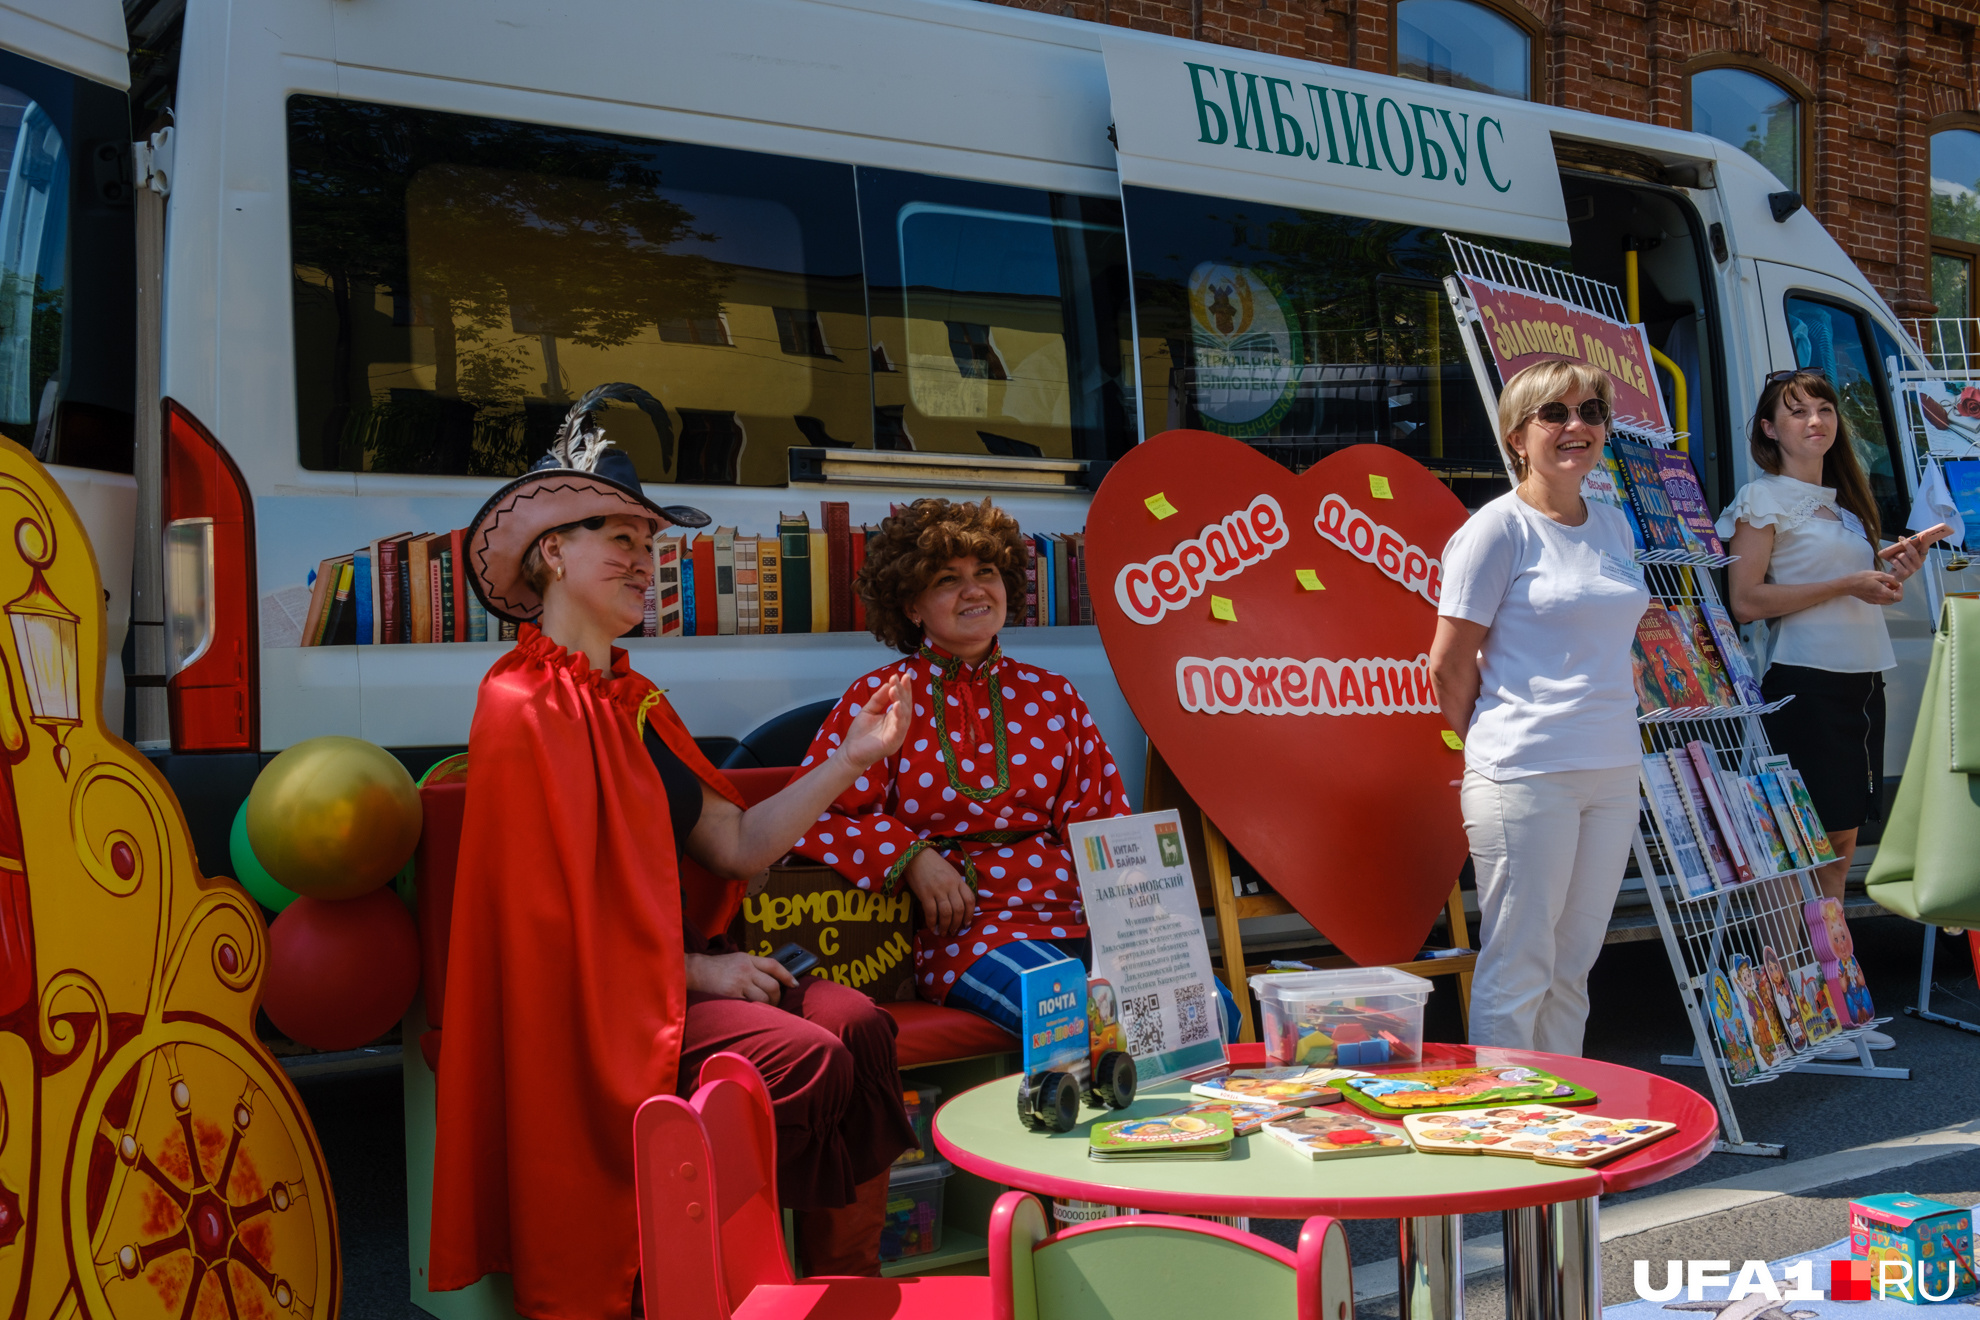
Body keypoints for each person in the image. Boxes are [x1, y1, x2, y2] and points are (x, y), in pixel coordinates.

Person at [431, 386, 918, 1320]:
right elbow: (553, 925)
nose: (641, 559)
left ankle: (841, 1291)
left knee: (858, 1024)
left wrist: (849, 760)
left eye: (649, 543)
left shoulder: (636, 703)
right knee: (803, 1057)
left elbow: (737, 846)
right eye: (616, 536)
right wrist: (701, 971)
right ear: (552, 554)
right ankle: (717, 1290)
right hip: (592, 1020)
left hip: (659, 985)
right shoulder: (521, 704)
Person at [789, 497, 1239, 1037]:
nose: (975, 589)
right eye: (947, 579)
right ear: (912, 605)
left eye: (986, 572)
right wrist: (910, 855)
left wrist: (1144, 917)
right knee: (1082, 1019)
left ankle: (1195, 1125)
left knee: (1212, 1009)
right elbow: (811, 814)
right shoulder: (880, 701)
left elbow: (1105, 825)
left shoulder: (1054, 696)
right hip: (969, 936)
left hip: (1081, 920)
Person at [1428, 360, 1650, 1056]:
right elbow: (1448, 664)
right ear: (1517, 436)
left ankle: (1562, 1118)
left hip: (1613, 771)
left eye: (1590, 411)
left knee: (1573, 963)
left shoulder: (1614, 526)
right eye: (1553, 414)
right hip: (1524, 773)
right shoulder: (1496, 530)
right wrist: (1494, 747)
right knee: (1519, 964)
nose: (1575, 425)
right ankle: (1500, 1129)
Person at [1719, 368, 1925, 1053]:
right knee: (1804, 853)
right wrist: (1847, 581)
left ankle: (1833, 1003)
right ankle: (1811, 1006)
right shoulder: (1762, 499)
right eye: (1796, 410)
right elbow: (1746, 600)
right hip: (1804, 685)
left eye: (1824, 408)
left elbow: (1853, 593)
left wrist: (1892, 567)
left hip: (1862, 683)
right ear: (1769, 430)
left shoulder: (1843, 502)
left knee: (1837, 850)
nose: (1815, 420)